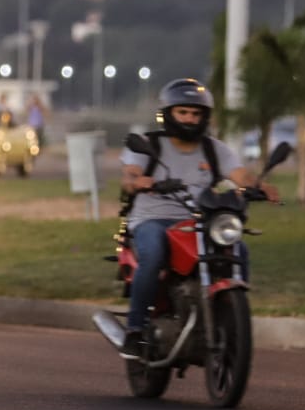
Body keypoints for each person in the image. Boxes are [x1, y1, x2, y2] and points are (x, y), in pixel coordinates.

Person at [117, 77, 278, 353]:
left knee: (238, 248)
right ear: (168, 113)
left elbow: (239, 175)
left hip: (198, 220)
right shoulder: (149, 144)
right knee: (154, 252)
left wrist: (259, 186)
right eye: (183, 112)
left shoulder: (215, 150)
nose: (190, 119)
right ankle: (136, 329)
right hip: (152, 219)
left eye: (196, 113)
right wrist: (138, 181)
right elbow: (129, 175)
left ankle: (230, 317)